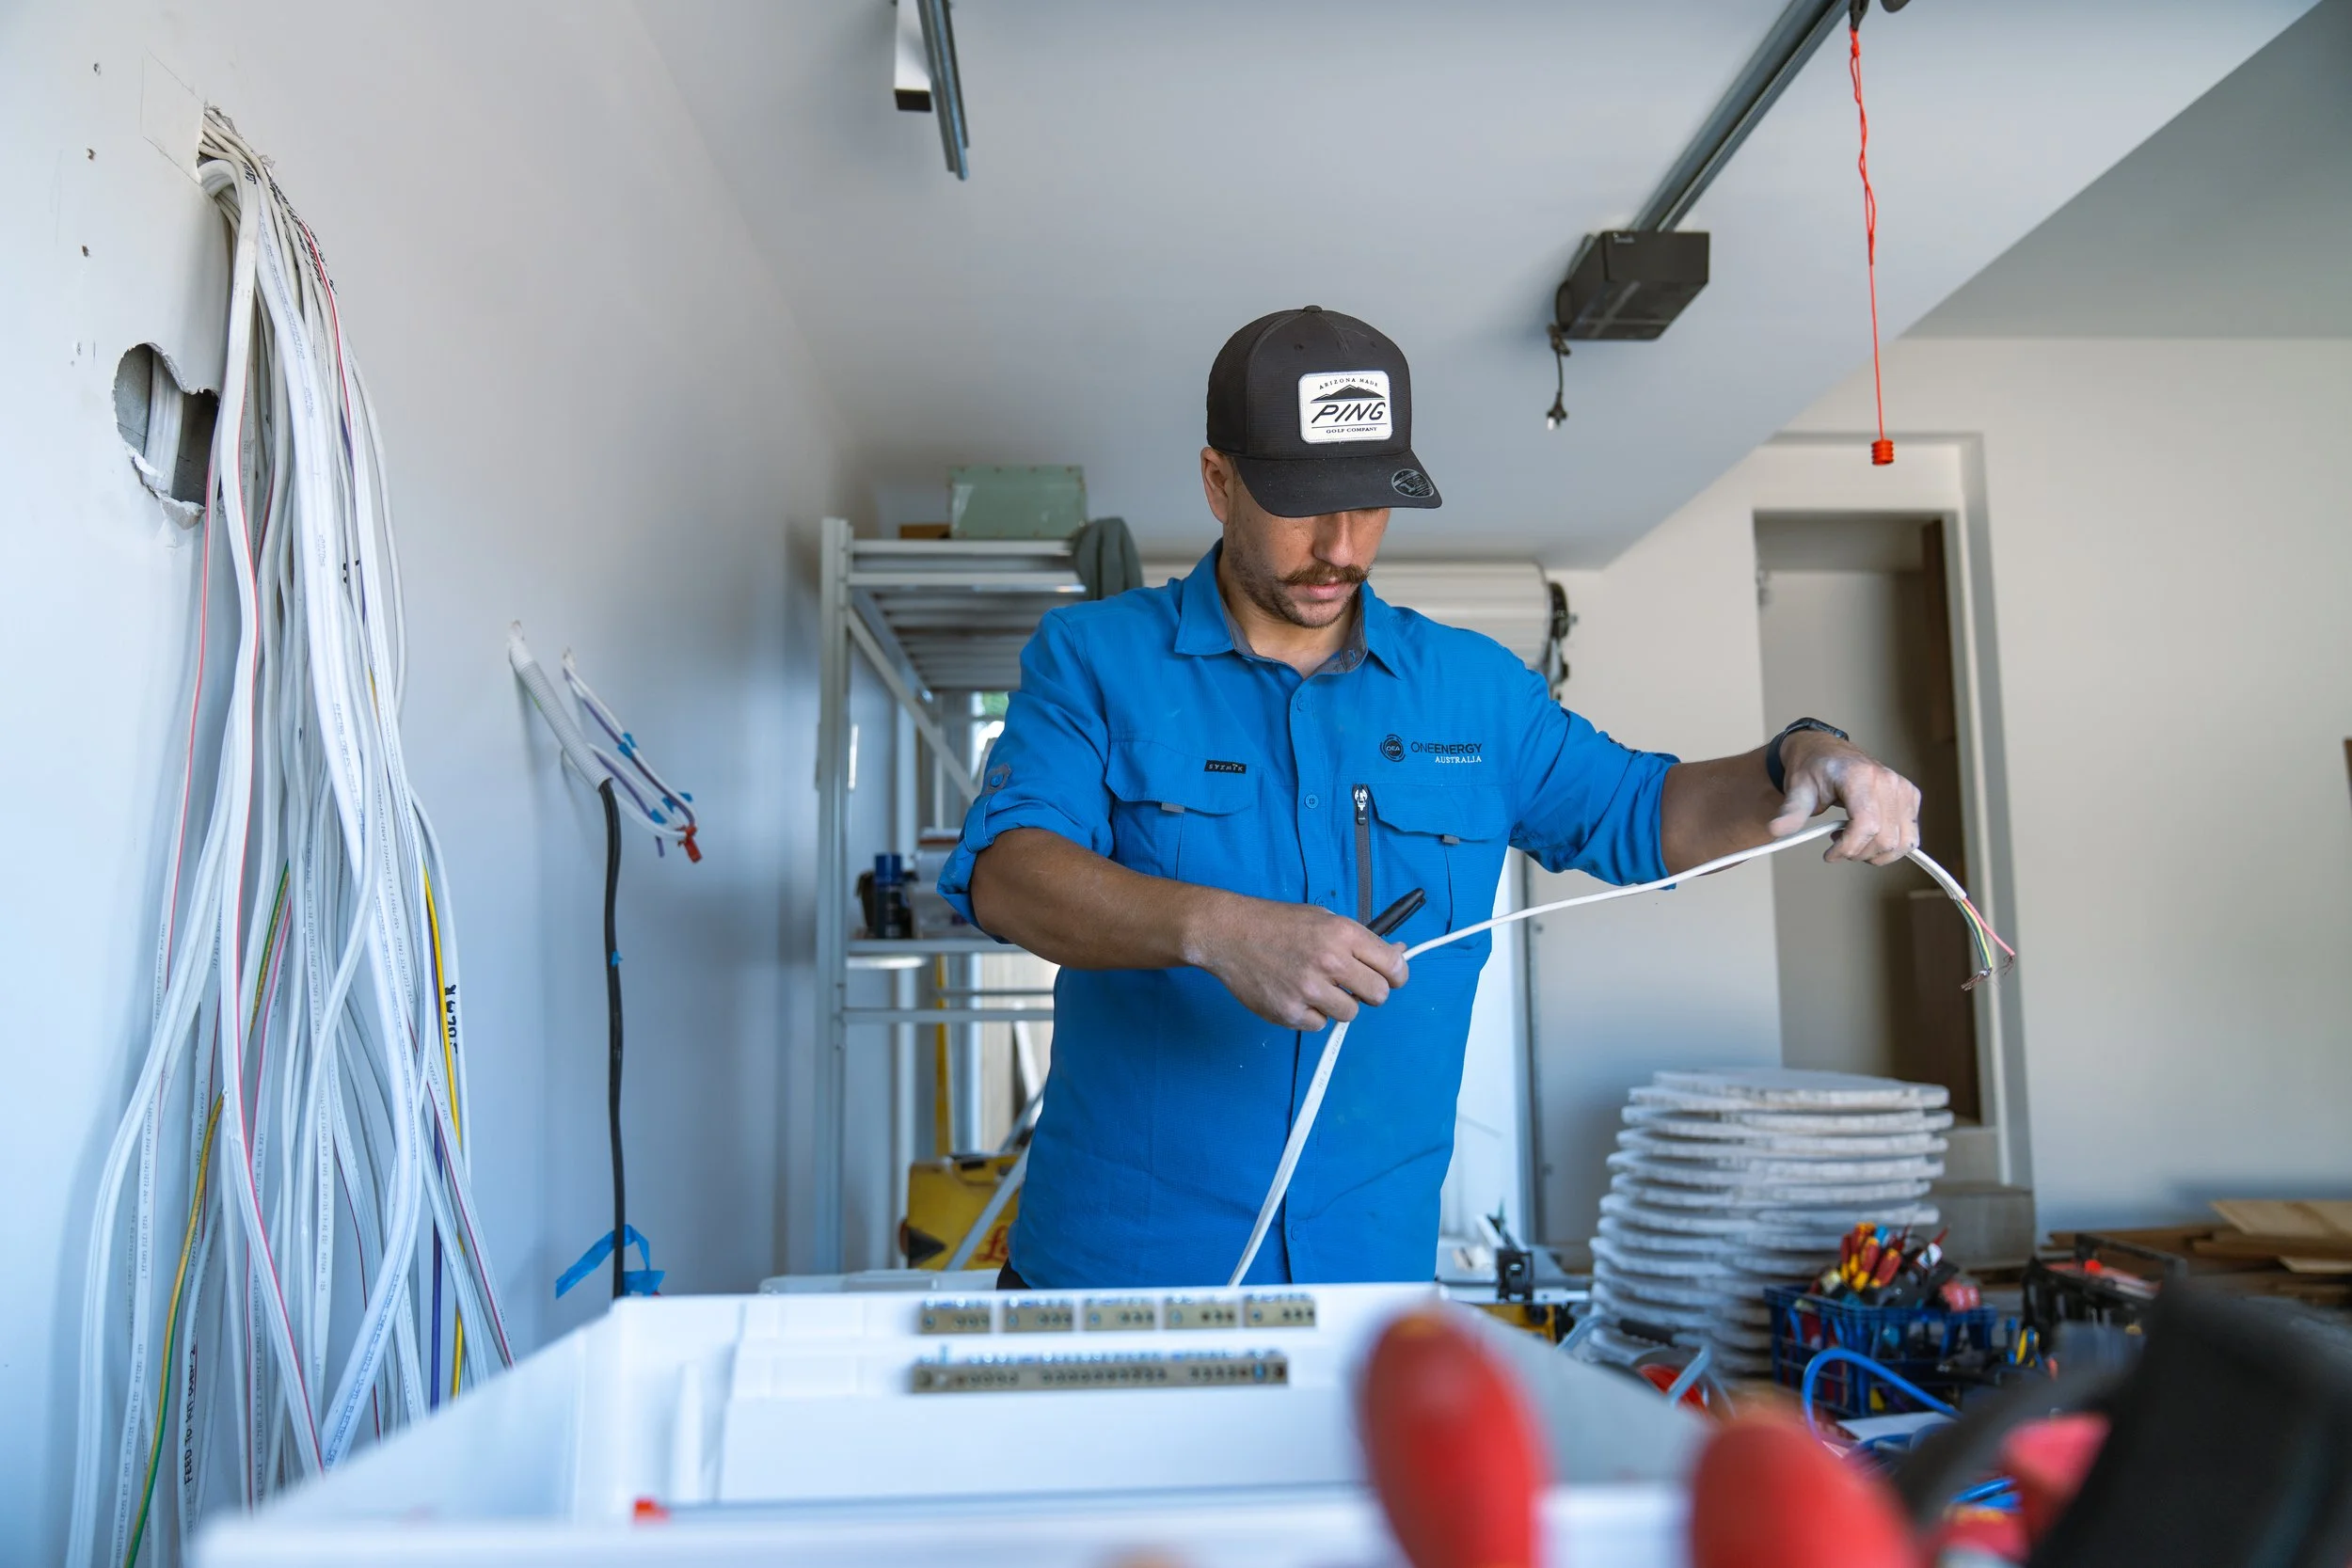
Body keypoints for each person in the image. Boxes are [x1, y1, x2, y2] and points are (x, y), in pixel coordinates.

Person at [935, 306, 1920, 1290]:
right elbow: (1011, 875)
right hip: (1115, 1273)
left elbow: (1644, 813)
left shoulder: (1476, 693)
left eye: (1368, 503)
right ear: (1217, 481)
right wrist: (1218, 928)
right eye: (1301, 502)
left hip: (1364, 1278)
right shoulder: (1096, 658)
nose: (1339, 544)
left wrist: (1810, 752)